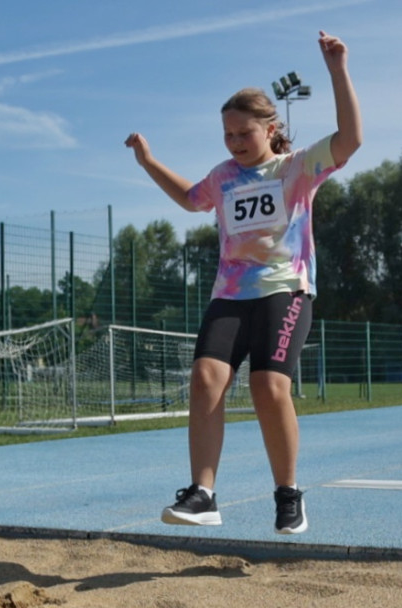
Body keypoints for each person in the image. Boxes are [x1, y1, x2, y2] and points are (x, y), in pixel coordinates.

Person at [124, 31, 361, 534]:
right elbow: (191, 199)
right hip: (230, 295)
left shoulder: (295, 169)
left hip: (284, 290)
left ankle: (288, 493)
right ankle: (203, 493)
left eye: (243, 134)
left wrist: (338, 68)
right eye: (227, 135)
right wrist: (148, 163)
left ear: (270, 128)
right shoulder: (224, 176)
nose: (234, 143)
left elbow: (350, 140)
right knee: (206, 378)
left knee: (268, 386)